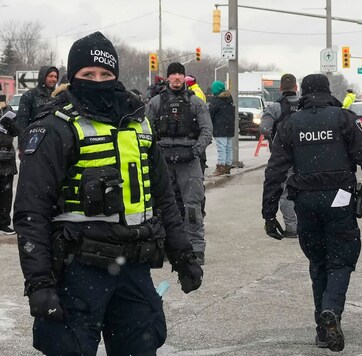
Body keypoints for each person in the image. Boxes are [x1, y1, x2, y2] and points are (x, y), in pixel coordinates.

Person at [13, 31, 203, 355]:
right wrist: (39, 283)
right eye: (88, 74)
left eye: (105, 74)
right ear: (73, 77)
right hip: (79, 270)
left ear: (115, 75)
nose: (97, 80)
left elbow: (164, 197)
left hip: (134, 268)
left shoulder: (138, 124)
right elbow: (31, 212)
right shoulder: (55, 127)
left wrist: (182, 253)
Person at [262, 74, 362, 352]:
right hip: (339, 199)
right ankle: (332, 311)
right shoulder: (344, 119)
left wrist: (268, 213)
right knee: (340, 261)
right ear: (328, 92)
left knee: (318, 261)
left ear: (303, 93)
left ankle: (322, 329)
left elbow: (275, 171)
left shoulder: (291, 124)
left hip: (305, 202)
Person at [146, 62, 213, 264]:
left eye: (179, 74)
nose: (176, 78)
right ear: (167, 78)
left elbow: (207, 131)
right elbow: (145, 131)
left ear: (185, 78)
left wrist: (195, 151)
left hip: (189, 161)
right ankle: (167, 246)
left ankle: (196, 247)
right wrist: (154, 154)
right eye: (173, 74)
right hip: (163, 161)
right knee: (165, 206)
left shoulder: (196, 103)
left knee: (192, 205)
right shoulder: (156, 102)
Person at [259, 73, 299, 238]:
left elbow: (264, 128)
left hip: (282, 156)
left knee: (285, 191)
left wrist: (277, 136)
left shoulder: (275, 108)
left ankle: (291, 227)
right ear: (296, 88)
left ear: (281, 88)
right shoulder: (306, 105)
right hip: (306, 154)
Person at [16, 65, 59, 130]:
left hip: (55, 137)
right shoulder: (29, 96)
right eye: (50, 76)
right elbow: (22, 123)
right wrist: (24, 138)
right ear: (43, 77)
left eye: (55, 77)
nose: (54, 79)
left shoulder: (59, 96)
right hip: (35, 136)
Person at [0, 99, 19, 234]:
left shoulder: (8, 111)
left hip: (6, 157)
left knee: (6, 193)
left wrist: (7, 120)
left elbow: (16, 131)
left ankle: (4, 222)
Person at [207, 80, 234, 175]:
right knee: (228, 147)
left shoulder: (216, 101)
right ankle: (228, 165)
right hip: (229, 127)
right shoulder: (229, 99)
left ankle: (221, 166)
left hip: (219, 127)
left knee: (221, 148)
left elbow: (210, 114)